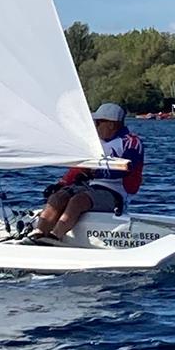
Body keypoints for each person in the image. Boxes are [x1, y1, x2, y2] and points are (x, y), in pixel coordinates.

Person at [25, 103, 144, 246]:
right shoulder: (95, 143)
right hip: (91, 187)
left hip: (115, 193)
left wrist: (97, 172)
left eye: (98, 122)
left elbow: (125, 168)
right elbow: (79, 167)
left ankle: (55, 236)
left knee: (78, 201)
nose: (95, 126)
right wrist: (61, 184)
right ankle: (38, 233)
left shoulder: (131, 142)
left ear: (112, 125)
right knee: (57, 197)